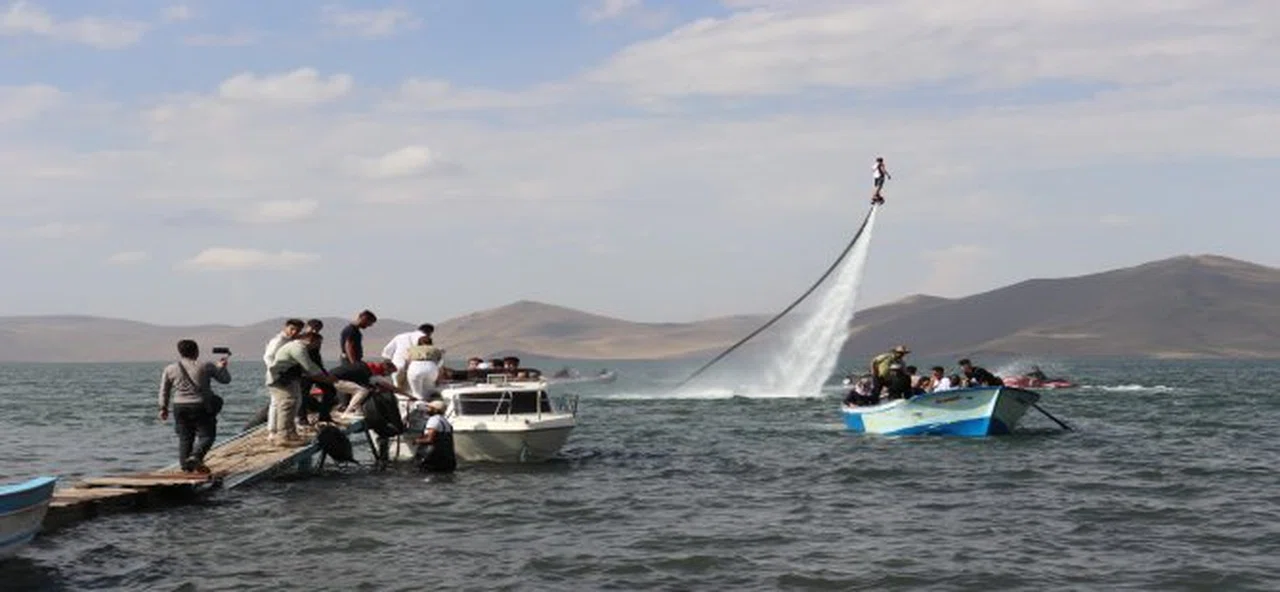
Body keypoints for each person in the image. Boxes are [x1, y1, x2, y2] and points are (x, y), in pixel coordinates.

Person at [159, 339, 231, 473]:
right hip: (201, 406)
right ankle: (196, 456)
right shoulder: (206, 366)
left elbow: (164, 390)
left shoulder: (170, 368)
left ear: (180, 352)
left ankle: (186, 469)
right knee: (206, 436)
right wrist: (222, 367)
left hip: (179, 406)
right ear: (196, 351)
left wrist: (163, 408)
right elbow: (225, 380)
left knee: (185, 438)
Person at [266, 332, 333, 446]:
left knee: (294, 404)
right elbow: (309, 366)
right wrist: (327, 378)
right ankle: (282, 437)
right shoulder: (298, 348)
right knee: (287, 405)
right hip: (280, 380)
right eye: (318, 343)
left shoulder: (298, 347)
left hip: (289, 379)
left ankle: (291, 433)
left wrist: (324, 376)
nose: (317, 346)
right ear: (310, 340)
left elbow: (310, 367)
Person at [262, 319, 304, 434]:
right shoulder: (279, 340)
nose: (294, 332)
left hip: (288, 374)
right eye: (292, 329)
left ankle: (287, 425)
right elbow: (268, 357)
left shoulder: (292, 340)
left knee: (295, 400)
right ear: (286, 327)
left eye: (298, 330)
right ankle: (273, 430)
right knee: (276, 403)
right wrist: (276, 371)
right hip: (278, 375)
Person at [414, 400, 456, 474]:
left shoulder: (434, 420)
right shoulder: (445, 421)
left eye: (430, 408)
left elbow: (430, 439)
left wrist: (417, 441)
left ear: (435, 410)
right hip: (447, 458)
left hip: (432, 457)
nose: (427, 410)